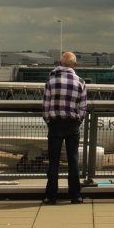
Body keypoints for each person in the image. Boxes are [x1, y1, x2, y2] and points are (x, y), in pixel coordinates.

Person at [42, 51, 88, 205]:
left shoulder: (51, 80)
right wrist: (77, 121)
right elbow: (83, 108)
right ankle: (75, 195)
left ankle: (51, 196)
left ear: (60, 63)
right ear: (74, 65)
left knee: (53, 161)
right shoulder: (80, 81)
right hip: (72, 124)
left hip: (55, 123)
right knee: (73, 160)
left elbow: (46, 106)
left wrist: (50, 121)